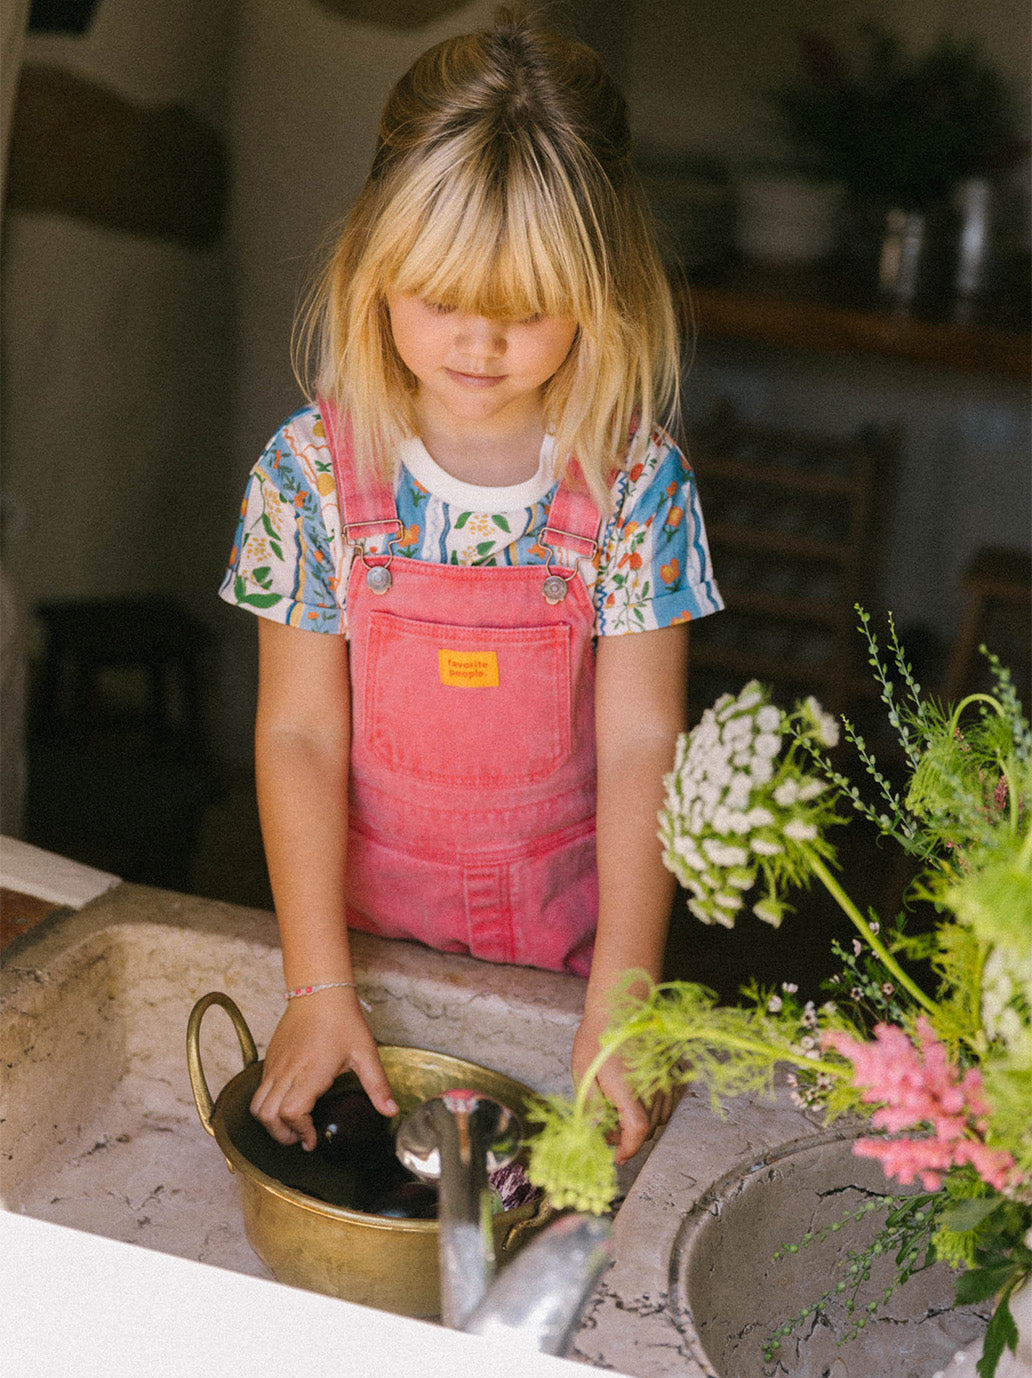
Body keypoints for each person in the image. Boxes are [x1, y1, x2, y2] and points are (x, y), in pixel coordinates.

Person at [220, 9, 722, 1167]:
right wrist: (316, 981)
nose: (479, 345)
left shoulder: (637, 483)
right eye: (440, 296)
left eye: (527, 308)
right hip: (359, 964)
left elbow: (648, 745)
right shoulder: (308, 477)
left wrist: (623, 1001)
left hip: (567, 965)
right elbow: (296, 732)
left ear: (604, 291)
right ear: (372, 264)